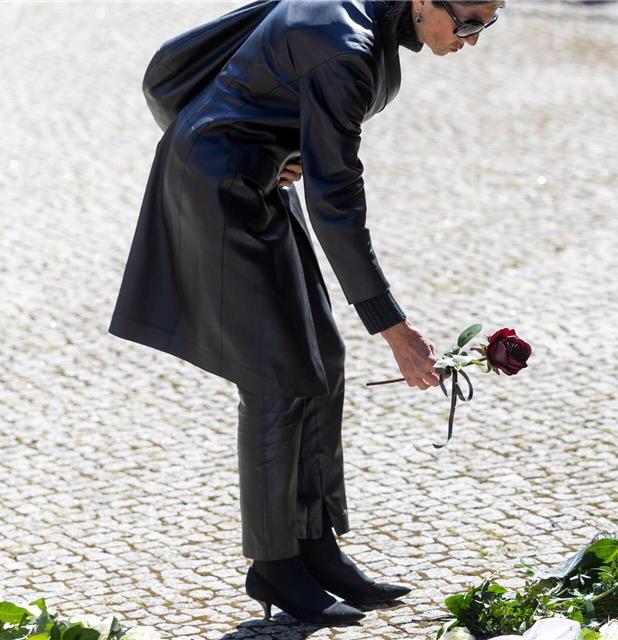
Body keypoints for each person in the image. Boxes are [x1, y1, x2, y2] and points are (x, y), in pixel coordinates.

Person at [107, 0, 505, 627]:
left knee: (325, 356)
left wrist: (271, 142)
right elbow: (336, 201)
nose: (475, 38)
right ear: (426, 1)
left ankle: (315, 544)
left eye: (490, 20)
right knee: (278, 377)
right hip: (220, 190)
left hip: (253, 175)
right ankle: (272, 563)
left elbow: (239, 77)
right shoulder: (344, 48)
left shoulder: (364, 18)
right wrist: (391, 325)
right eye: (471, 21)